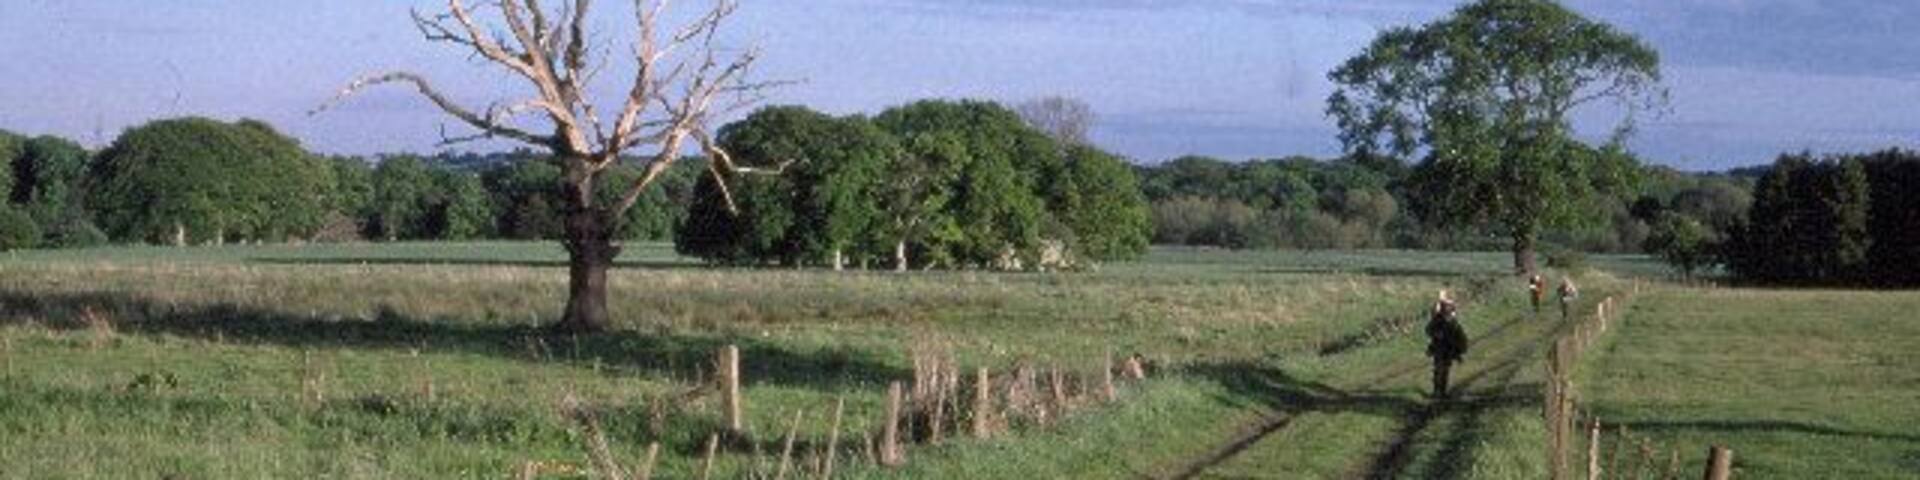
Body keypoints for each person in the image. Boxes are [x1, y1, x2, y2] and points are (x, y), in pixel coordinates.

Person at [1425, 291, 1468, 399]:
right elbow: (1429, 330)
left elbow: (1460, 336)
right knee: (1439, 370)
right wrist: (1436, 334)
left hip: (1448, 349)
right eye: (1445, 306)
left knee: (1444, 371)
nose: (1447, 308)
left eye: (1448, 307)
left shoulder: (1453, 322)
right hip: (1439, 348)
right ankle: (1437, 391)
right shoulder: (1438, 319)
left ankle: (1442, 391)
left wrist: (1460, 348)